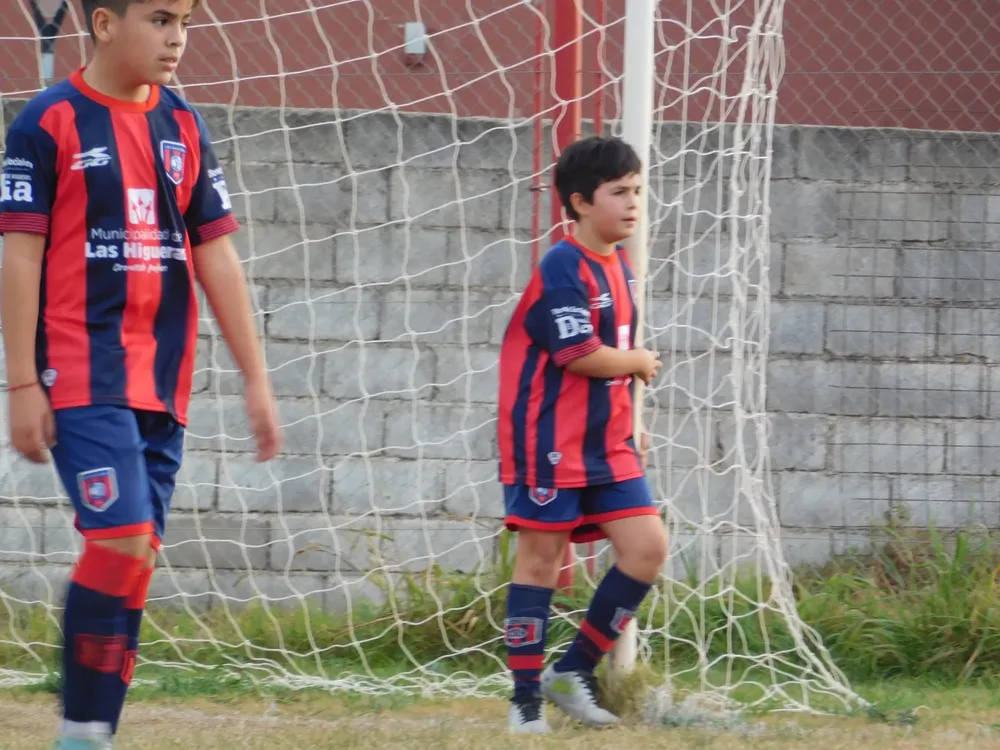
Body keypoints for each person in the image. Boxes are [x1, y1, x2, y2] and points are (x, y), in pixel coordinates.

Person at [0, 1, 281, 746]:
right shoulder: (46, 122)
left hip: (163, 377)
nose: (178, 37)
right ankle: (79, 734)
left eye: (185, 19)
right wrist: (22, 383)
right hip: (79, 368)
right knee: (120, 537)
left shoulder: (184, 125)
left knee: (135, 560)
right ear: (102, 24)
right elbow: (20, 256)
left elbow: (215, 252)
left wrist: (256, 378)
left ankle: (94, 732)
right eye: (160, 18)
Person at [496, 135, 668, 733]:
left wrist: (634, 420)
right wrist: (640, 361)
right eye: (619, 192)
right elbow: (580, 354)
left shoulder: (618, 265)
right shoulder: (563, 266)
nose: (633, 203)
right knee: (541, 563)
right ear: (579, 202)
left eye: (638, 190)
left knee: (648, 548)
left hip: (608, 445)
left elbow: (612, 360)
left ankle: (572, 670)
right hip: (549, 442)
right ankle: (523, 703)